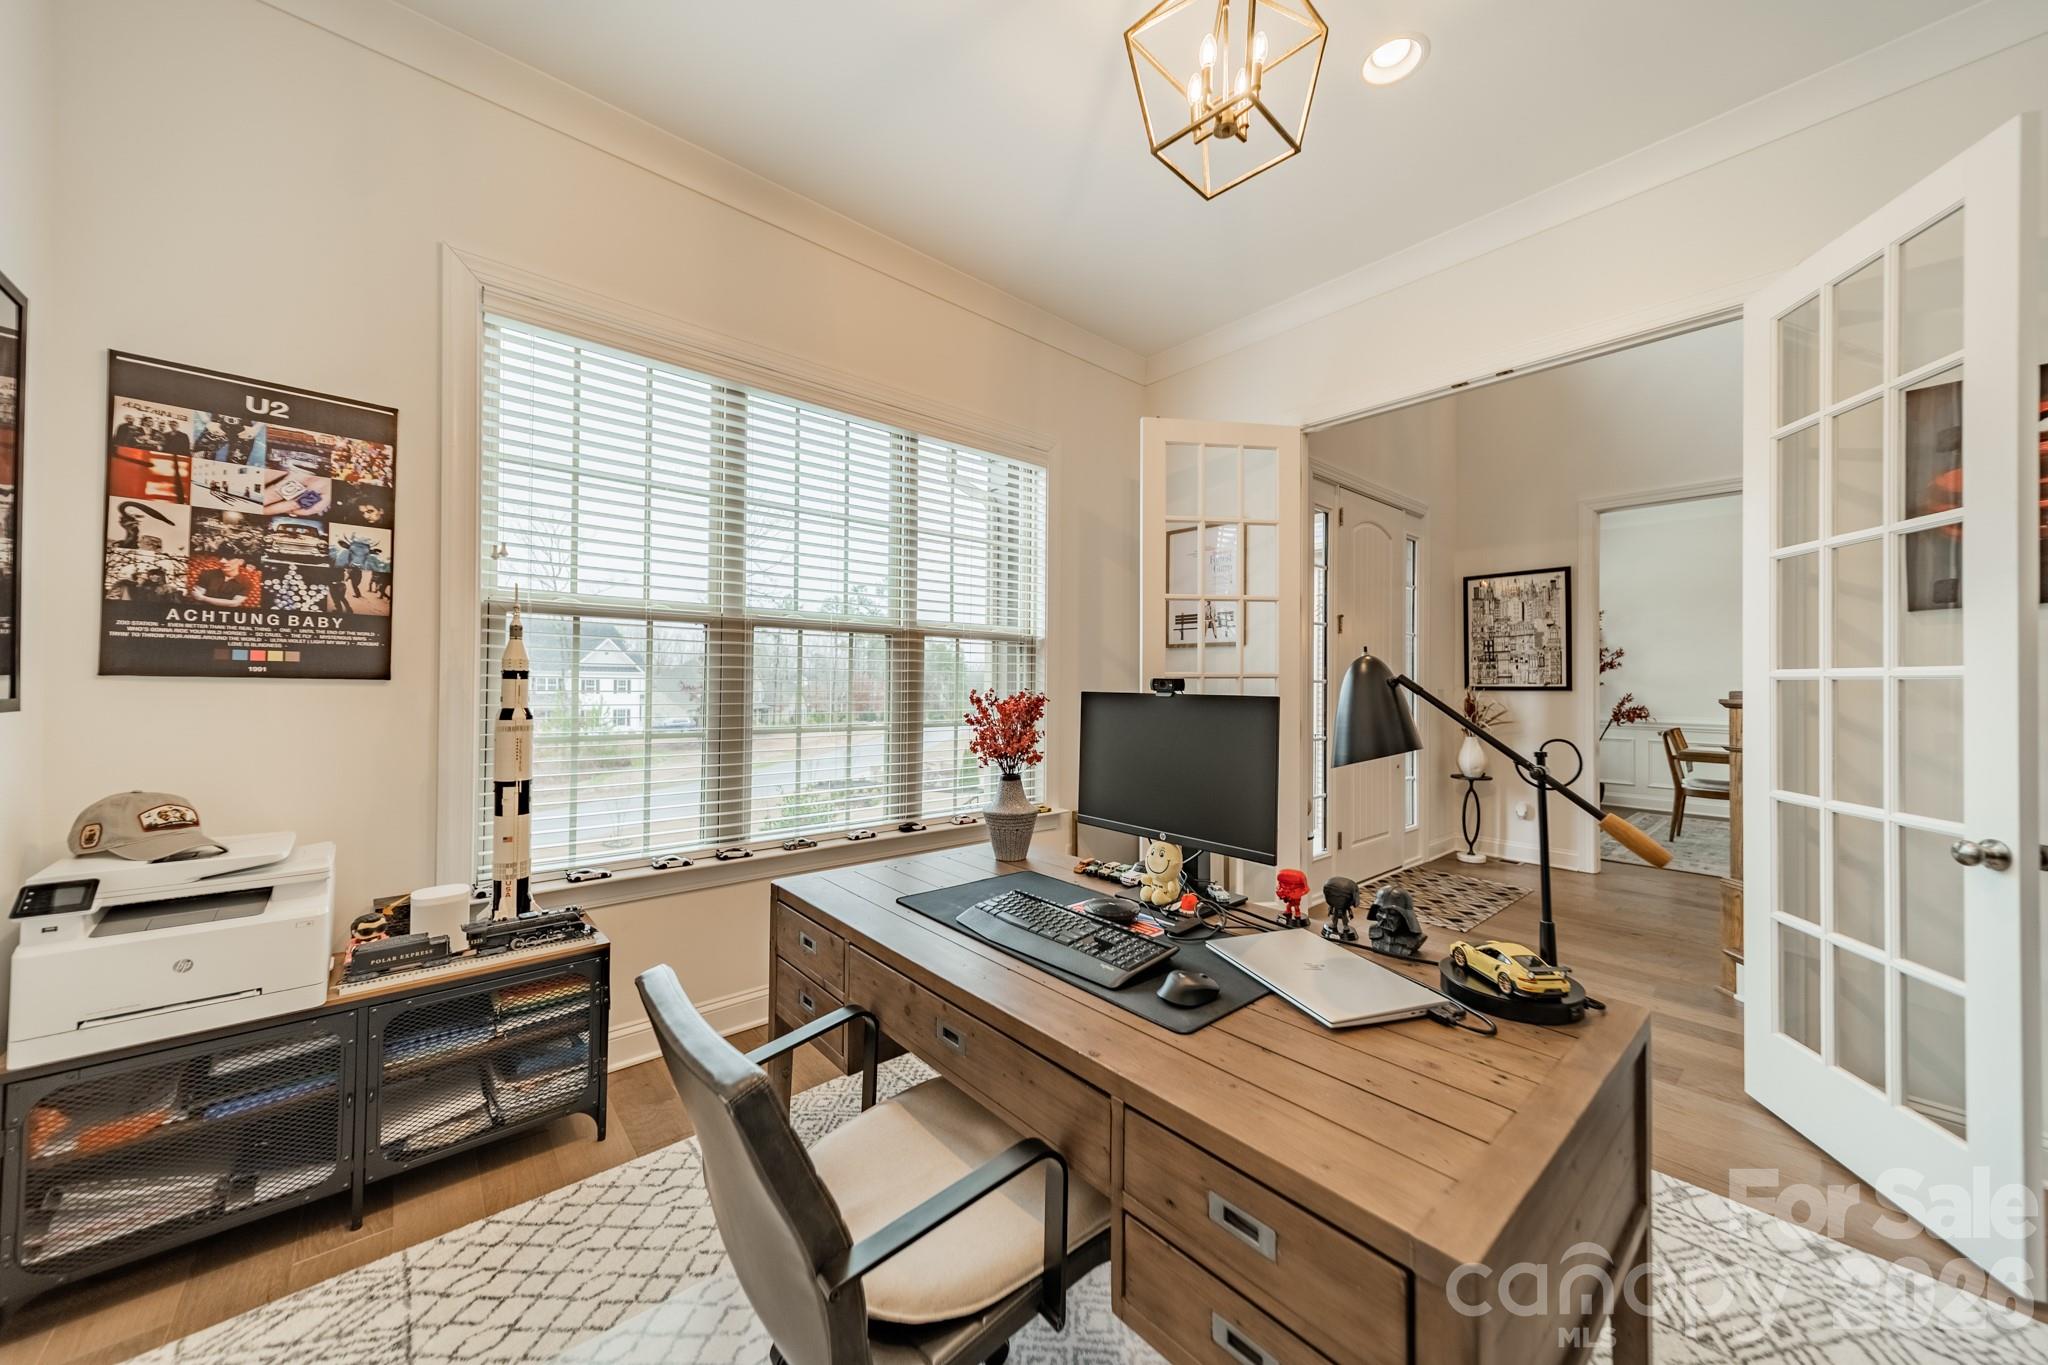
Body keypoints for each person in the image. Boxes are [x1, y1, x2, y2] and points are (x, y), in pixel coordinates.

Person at [190, 556, 255, 608]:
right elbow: (196, 596)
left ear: (240, 562)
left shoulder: (246, 582)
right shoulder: (207, 574)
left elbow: (235, 603)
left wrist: (203, 598)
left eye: (228, 558)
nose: (222, 561)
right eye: (220, 558)